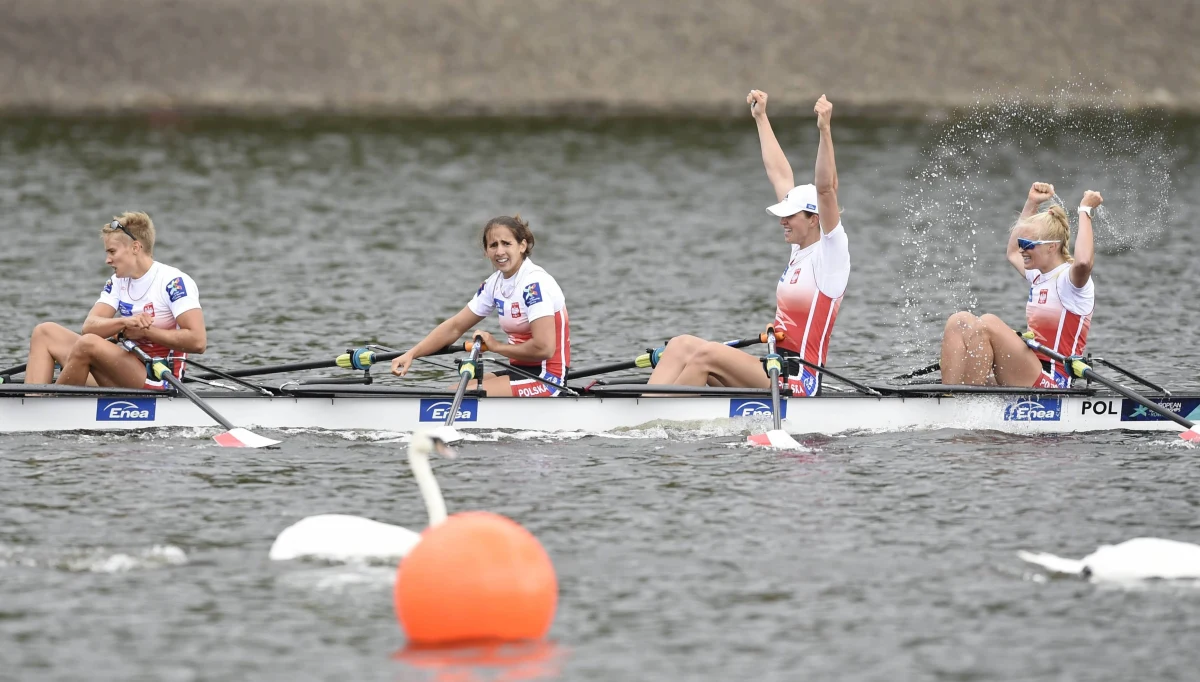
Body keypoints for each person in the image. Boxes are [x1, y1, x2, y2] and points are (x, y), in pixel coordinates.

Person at [646, 92, 851, 396]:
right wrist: (761, 117)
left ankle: (663, 414)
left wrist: (825, 130)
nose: (782, 221)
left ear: (814, 219)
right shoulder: (799, 249)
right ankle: (646, 407)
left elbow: (826, 189)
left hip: (800, 379)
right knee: (681, 345)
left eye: (790, 216)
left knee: (707, 354)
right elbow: (779, 173)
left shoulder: (830, 255)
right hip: (773, 366)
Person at [939, 182, 1102, 387]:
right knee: (959, 320)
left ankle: (970, 399)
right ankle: (950, 396)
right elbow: (1012, 252)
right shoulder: (1038, 275)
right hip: (1029, 368)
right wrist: (1032, 202)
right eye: (1021, 243)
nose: (1022, 249)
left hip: (1054, 380)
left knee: (988, 322)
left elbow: (1084, 262)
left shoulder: (1070, 282)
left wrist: (1085, 210)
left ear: (1052, 247)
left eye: (1027, 244)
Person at [390, 215, 570, 397]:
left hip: (549, 379)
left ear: (522, 246)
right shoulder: (494, 284)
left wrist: (495, 346)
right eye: (493, 245)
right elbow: (455, 327)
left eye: (506, 244)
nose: (500, 251)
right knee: (452, 391)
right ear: (486, 251)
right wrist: (412, 354)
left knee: (459, 395)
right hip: (521, 371)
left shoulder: (534, 285)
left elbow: (544, 349)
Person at [25, 212, 206, 389]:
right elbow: (89, 326)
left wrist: (146, 332)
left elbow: (198, 342)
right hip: (124, 368)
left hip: (158, 376)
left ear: (135, 247)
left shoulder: (174, 283)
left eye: (112, 251)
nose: (107, 260)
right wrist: (124, 324)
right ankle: (32, 400)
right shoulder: (118, 282)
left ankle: (52, 404)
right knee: (44, 332)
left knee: (88, 344)